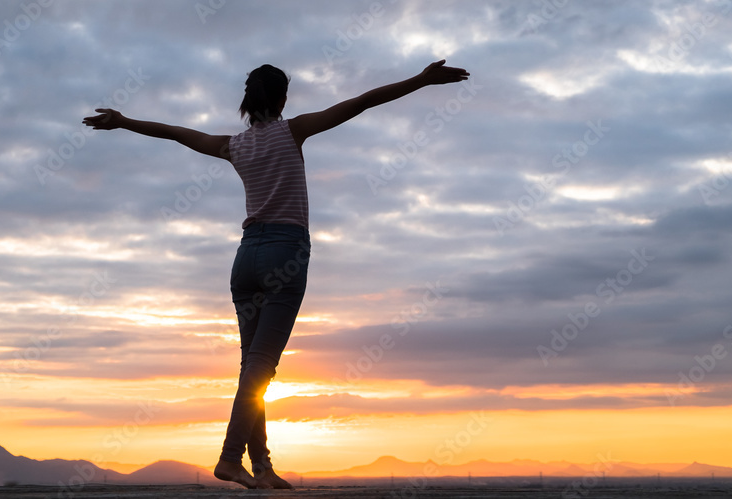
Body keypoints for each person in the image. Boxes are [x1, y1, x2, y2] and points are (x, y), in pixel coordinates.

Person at [82, 58, 470, 489]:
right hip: (285, 253)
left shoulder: (233, 145)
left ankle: (262, 466)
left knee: (253, 366)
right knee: (261, 366)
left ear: (247, 102)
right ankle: (231, 459)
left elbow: (175, 132)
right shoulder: (294, 130)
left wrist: (123, 120)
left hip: (245, 259)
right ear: (283, 99)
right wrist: (421, 79)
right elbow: (363, 102)